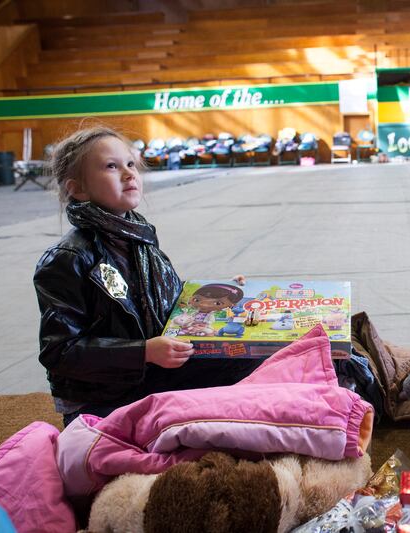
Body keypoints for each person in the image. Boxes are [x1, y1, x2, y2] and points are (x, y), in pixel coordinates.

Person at [34, 126, 260, 426]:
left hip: (149, 373)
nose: (129, 174)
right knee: (244, 376)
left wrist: (220, 292)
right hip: (101, 400)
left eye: (130, 164)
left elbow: (171, 305)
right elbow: (59, 352)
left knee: (257, 354)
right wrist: (143, 352)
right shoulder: (67, 259)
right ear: (78, 189)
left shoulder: (138, 238)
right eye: (111, 167)